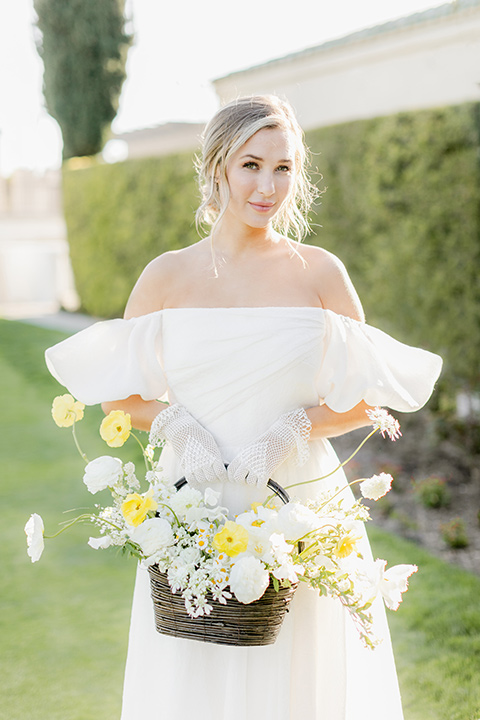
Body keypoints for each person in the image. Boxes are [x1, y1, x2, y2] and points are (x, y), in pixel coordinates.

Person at [45, 95, 442, 720]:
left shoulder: (320, 273)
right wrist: (177, 423)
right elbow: (117, 397)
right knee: (196, 675)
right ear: (218, 168)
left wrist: (292, 427)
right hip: (190, 497)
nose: (267, 185)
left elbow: (370, 394)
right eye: (251, 165)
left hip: (298, 497)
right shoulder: (166, 277)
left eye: (283, 168)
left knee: (300, 676)